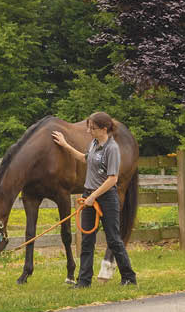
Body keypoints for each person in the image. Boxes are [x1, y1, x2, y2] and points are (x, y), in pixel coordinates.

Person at [51, 112, 137, 287]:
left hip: (106, 198)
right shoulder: (94, 144)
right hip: (89, 196)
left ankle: (129, 277)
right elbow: (85, 159)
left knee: (113, 239)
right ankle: (84, 281)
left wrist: (93, 196)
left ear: (104, 129)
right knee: (87, 240)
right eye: (89, 127)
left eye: (93, 128)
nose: (89, 131)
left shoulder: (112, 148)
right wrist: (66, 145)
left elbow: (112, 179)